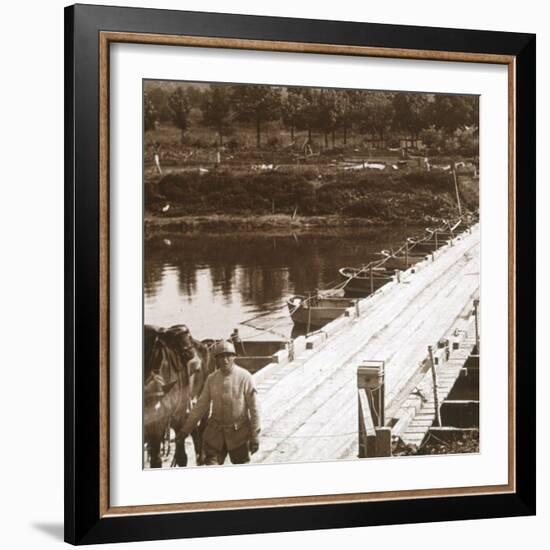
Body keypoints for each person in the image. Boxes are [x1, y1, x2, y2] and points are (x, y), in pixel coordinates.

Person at [177, 340, 260, 465]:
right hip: (215, 436)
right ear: (216, 359)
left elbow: (255, 409)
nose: (225, 360)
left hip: (239, 436)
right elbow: (200, 407)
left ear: (234, 357)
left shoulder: (245, 377)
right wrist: (185, 431)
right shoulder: (212, 379)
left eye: (228, 356)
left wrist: (255, 436)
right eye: (221, 357)